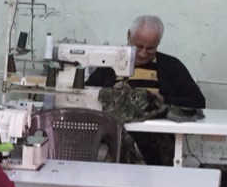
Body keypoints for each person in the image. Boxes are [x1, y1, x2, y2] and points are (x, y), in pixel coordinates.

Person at [86, 15, 206, 165]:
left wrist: (163, 99)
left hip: (156, 142)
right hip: (115, 139)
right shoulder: (109, 66)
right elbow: (87, 94)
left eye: (150, 48)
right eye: (138, 46)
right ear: (129, 36)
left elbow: (198, 101)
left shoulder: (171, 66)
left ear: (159, 43)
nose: (143, 53)